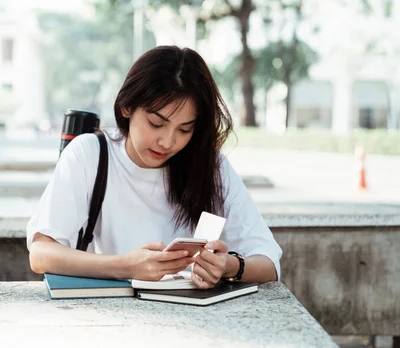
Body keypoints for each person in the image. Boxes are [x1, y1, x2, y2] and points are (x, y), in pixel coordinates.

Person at [27, 46, 282, 289]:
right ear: (127, 107)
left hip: (193, 319)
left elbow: (269, 264)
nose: (168, 142)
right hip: (108, 317)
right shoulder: (90, 154)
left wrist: (228, 266)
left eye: (185, 129)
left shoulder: (210, 166)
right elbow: (41, 254)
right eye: (156, 123)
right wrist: (126, 266)